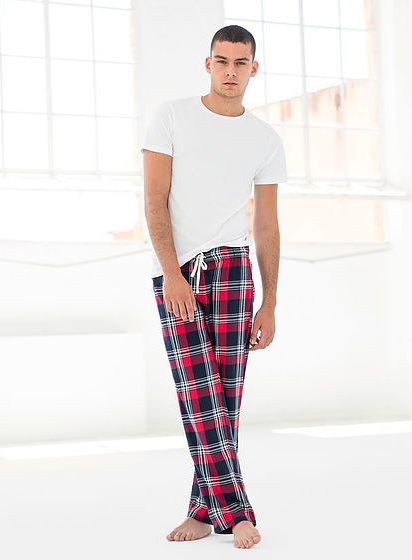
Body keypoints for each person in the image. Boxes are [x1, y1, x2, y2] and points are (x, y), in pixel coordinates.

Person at [141, 24, 287, 549]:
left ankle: (202, 511)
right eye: (221, 61)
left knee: (224, 399)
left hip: (234, 271)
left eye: (240, 63)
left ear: (253, 69)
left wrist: (270, 303)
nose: (230, 71)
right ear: (208, 64)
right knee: (196, 392)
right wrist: (171, 273)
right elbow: (154, 201)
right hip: (180, 270)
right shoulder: (172, 116)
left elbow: (267, 226)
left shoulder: (265, 139)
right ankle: (238, 512)